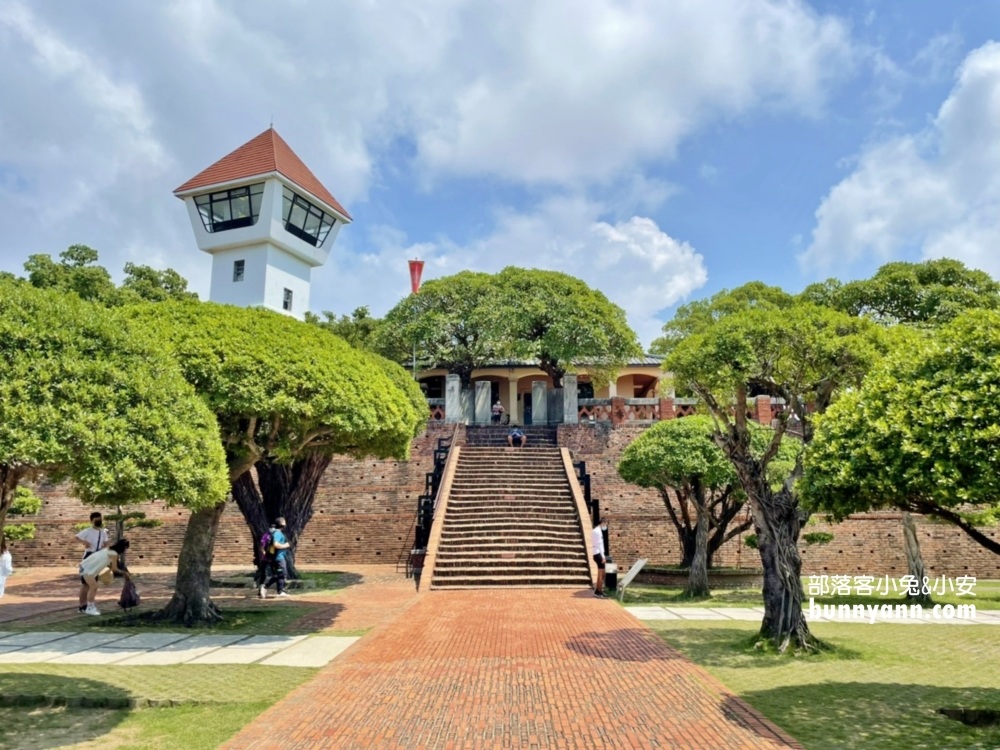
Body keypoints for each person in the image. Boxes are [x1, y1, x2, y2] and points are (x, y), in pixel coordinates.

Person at [79, 539, 130, 616]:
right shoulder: (114, 554)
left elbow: (104, 559)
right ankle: (90, 608)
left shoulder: (108, 548)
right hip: (88, 569)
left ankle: (83, 607)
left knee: (86, 586)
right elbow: (114, 569)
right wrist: (124, 573)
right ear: (123, 548)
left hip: (85, 566)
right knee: (94, 587)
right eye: (125, 549)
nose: (125, 551)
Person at [76, 512, 109, 612]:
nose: (98, 522)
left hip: (97, 556)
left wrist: (105, 547)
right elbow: (75, 537)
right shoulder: (88, 531)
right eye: (96, 520)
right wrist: (84, 542)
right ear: (91, 521)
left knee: (92, 582)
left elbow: (106, 543)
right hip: (89, 557)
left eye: (99, 520)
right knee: (86, 583)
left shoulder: (103, 532)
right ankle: (83, 605)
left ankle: (87, 605)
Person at [260, 517, 291, 598]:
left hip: (278, 557)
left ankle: (280, 591)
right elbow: (276, 544)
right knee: (281, 573)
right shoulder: (277, 533)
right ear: (282, 524)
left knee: (281, 574)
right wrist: (285, 545)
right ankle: (265, 586)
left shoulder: (278, 532)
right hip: (278, 558)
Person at [591, 517, 609, 597]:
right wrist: (603, 557)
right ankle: (599, 591)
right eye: (606, 524)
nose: (606, 526)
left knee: (600, 573)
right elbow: (599, 545)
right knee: (601, 574)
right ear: (603, 523)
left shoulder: (594, 530)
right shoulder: (598, 532)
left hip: (595, 553)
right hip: (599, 554)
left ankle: (598, 591)